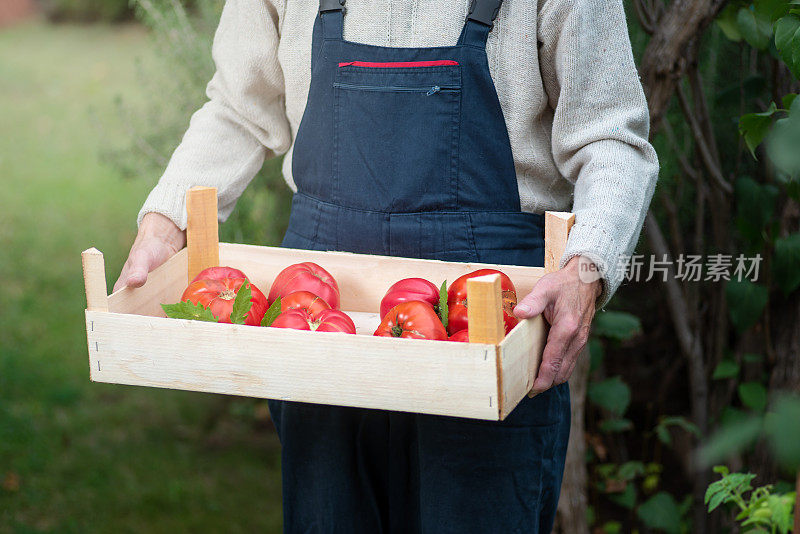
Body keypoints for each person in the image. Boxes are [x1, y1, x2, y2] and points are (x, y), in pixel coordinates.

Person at [114, 0, 658, 530]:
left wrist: (588, 266)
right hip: (319, 317)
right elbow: (238, 107)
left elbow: (610, 134)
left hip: (486, 318)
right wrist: (167, 220)